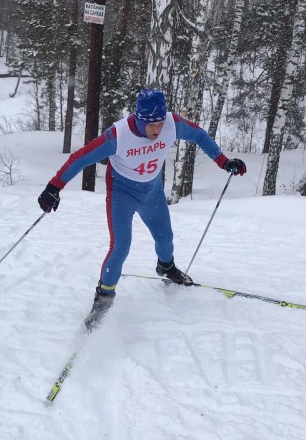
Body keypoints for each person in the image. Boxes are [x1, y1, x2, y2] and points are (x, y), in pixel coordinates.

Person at [38, 88, 246, 328]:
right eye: (151, 124)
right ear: (139, 119)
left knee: (165, 238)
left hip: (152, 192)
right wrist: (54, 186)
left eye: (160, 122)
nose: (157, 130)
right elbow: (81, 158)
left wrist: (224, 161)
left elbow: (199, 135)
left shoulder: (172, 123)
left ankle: (165, 267)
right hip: (121, 194)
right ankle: (103, 300)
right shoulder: (118, 135)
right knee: (121, 247)